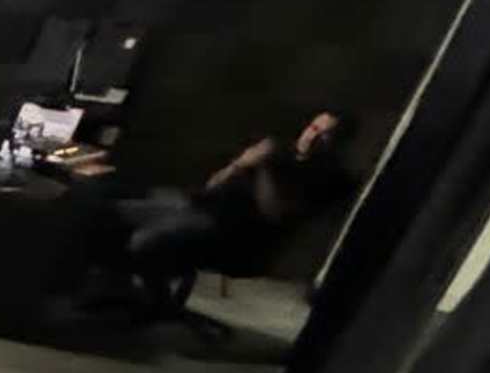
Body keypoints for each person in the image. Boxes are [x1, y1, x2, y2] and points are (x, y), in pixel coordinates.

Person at [113, 109, 364, 312]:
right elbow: (212, 184)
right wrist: (238, 165)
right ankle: (119, 292)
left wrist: (263, 166)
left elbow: (274, 213)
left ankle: (159, 304)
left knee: (145, 241)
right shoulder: (281, 149)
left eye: (326, 135)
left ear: (339, 144)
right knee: (116, 211)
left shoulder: (330, 178)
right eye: (314, 128)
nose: (313, 136)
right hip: (202, 206)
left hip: (236, 236)